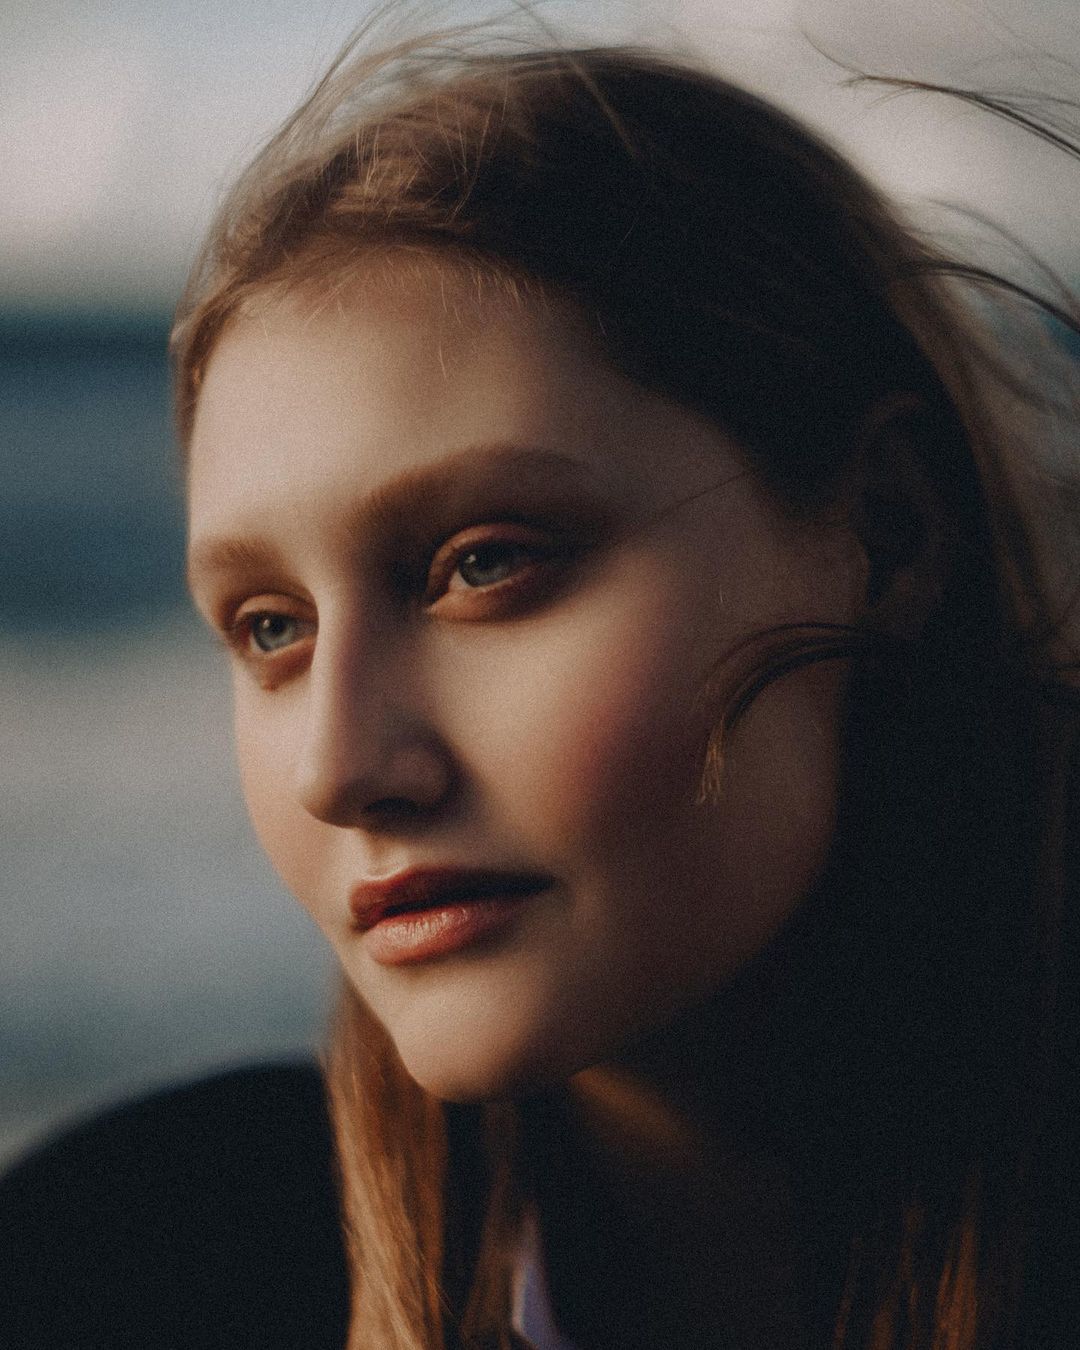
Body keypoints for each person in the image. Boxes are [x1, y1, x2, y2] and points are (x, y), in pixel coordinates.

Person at [4, 19, 1078, 1350]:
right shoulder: (109, 1267)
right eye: (271, 629)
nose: (337, 766)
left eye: (485, 563)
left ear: (887, 531)